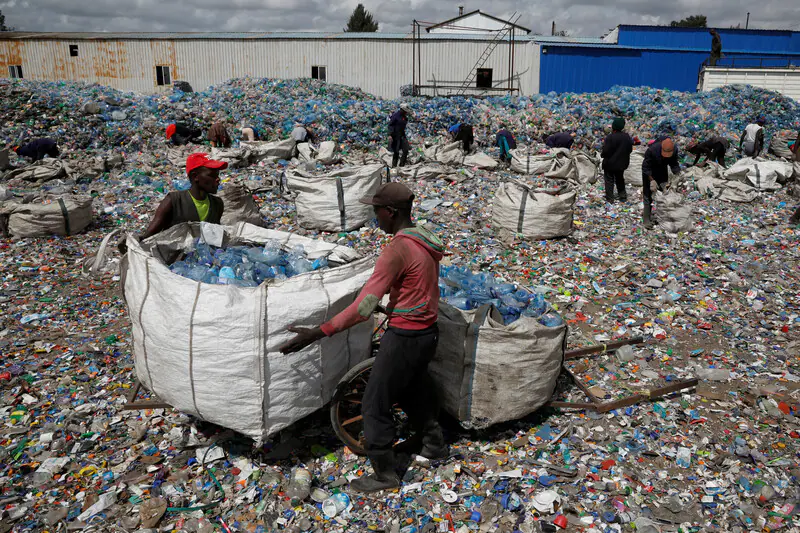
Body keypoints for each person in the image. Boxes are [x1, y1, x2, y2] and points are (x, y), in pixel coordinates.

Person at [280, 182, 447, 493]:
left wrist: (317, 332)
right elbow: (416, 286)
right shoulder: (424, 239)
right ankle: (434, 445)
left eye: (376, 211)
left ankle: (385, 474)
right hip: (428, 333)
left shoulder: (397, 250)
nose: (374, 218)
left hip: (405, 336)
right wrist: (397, 302)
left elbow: (363, 308)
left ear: (390, 212)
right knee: (413, 389)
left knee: (374, 403)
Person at [641, 137, 680, 230]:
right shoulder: (652, 150)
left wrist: (678, 175)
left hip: (662, 171)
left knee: (664, 194)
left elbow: (674, 164)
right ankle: (646, 220)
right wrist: (652, 180)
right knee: (648, 196)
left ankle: (663, 217)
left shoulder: (674, 150)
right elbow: (645, 167)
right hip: (650, 172)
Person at [600, 118, 634, 203]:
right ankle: (622, 196)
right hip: (622, 164)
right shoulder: (626, 137)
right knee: (620, 179)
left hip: (610, 164)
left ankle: (610, 198)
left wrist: (602, 155)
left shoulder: (610, 137)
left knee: (609, 180)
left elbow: (606, 151)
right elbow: (629, 149)